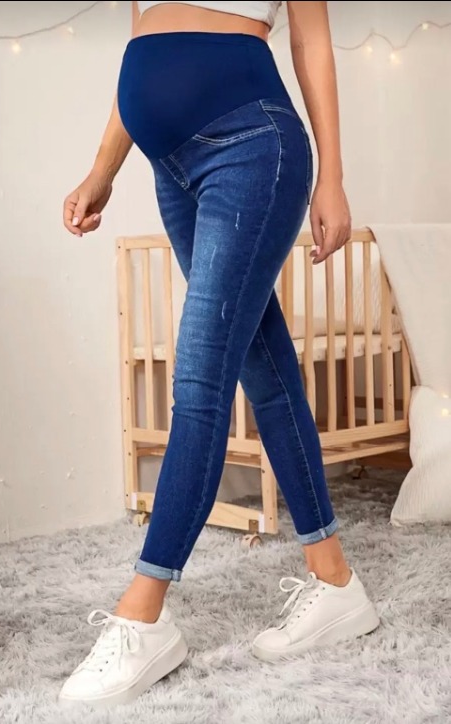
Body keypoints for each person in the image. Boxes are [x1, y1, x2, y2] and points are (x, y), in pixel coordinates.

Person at [60, 0, 379, 708]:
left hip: (252, 145)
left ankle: (143, 614)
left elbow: (313, 42)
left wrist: (331, 175)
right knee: (262, 364)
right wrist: (102, 170)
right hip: (169, 166)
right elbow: (146, 42)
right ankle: (335, 580)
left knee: (200, 378)